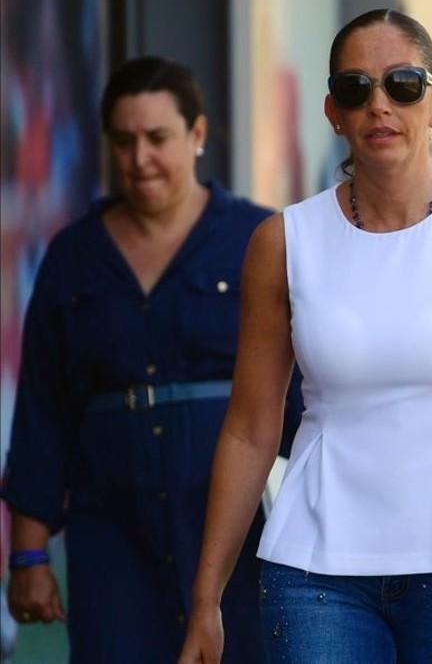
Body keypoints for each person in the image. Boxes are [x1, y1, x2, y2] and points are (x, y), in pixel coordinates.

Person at [178, 9, 432, 664]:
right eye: (355, 88)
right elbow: (251, 427)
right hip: (316, 568)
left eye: (403, 83)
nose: (380, 104)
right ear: (332, 112)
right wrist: (207, 597)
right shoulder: (284, 241)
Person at [2, 56, 302, 662]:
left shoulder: (259, 239)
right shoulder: (74, 256)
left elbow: (307, 399)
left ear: (196, 135)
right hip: (110, 534)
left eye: (157, 138)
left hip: (230, 530)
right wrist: (29, 554)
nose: (140, 159)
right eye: (124, 141)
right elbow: (42, 409)